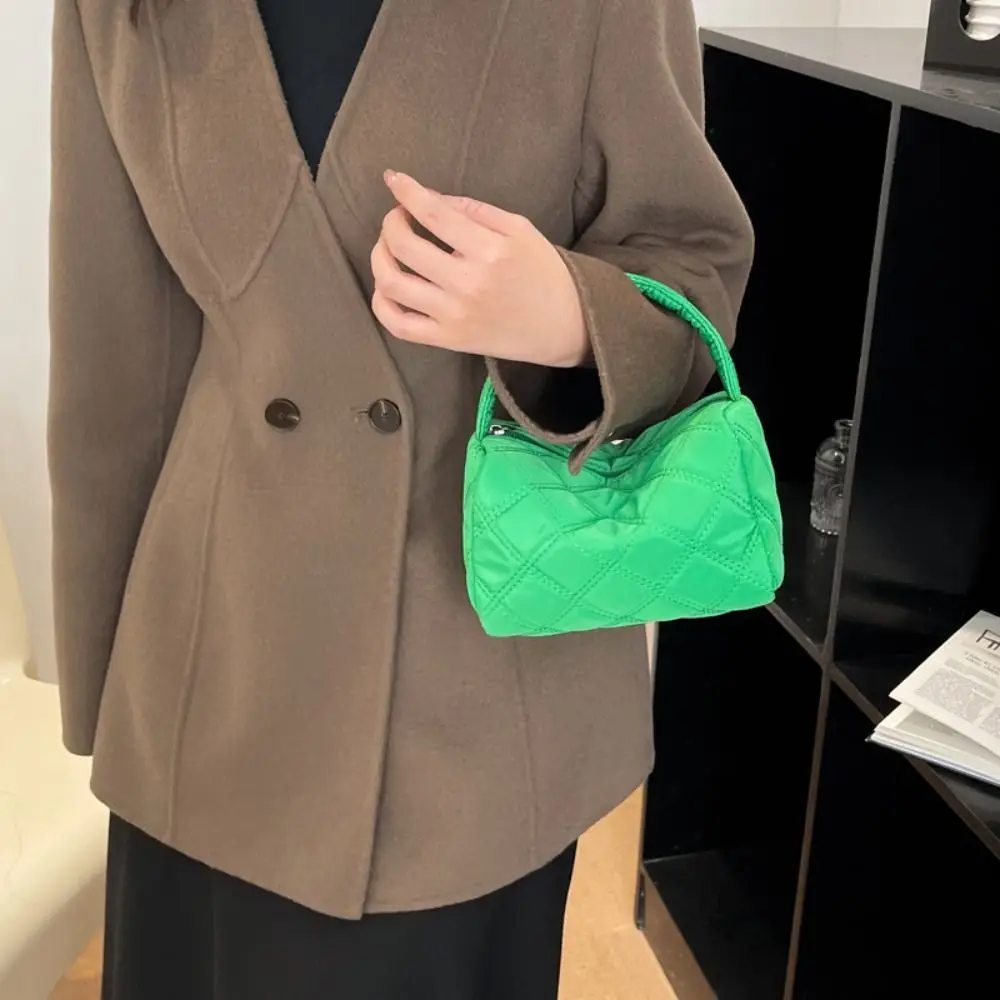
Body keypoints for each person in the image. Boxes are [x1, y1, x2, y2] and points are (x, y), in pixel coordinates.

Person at [47, 0, 753, 997]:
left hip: (467, 702)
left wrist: (567, 316)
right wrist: (108, 688)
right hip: (211, 673)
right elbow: (114, 362)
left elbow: (694, 254)